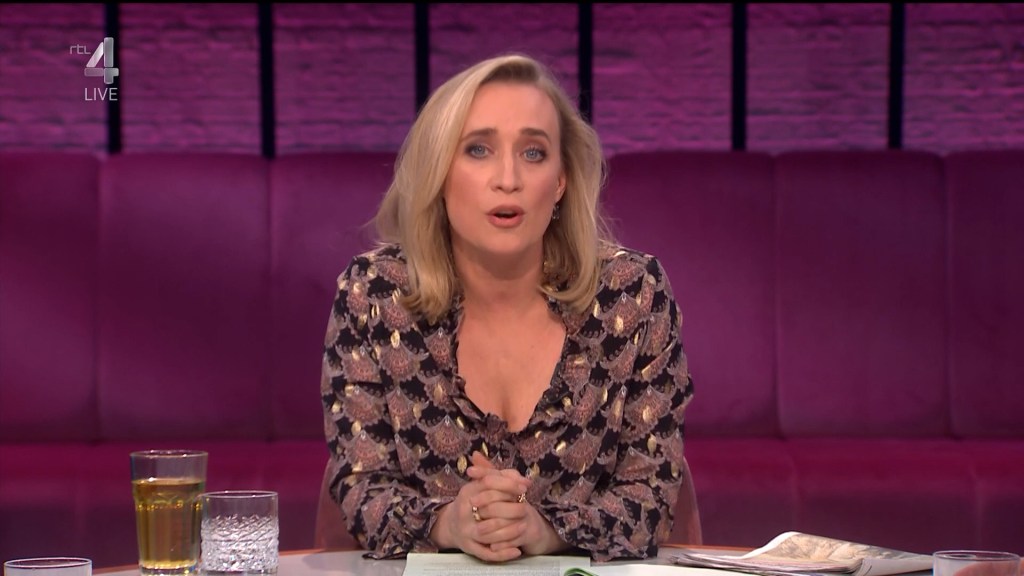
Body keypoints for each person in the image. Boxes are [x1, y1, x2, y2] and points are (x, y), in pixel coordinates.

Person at [319, 53, 696, 563]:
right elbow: (360, 487)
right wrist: (448, 523)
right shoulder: (374, 296)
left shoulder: (632, 296)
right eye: (478, 149)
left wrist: (545, 530)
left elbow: (651, 496)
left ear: (560, 181)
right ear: (440, 172)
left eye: (534, 153)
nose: (508, 178)